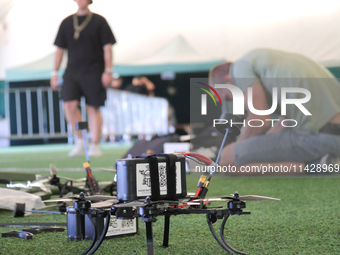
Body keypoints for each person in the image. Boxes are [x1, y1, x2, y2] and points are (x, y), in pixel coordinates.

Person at [210, 48, 340, 174]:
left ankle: (316, 166)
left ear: (227, 79)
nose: (232, 101)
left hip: (317, 138)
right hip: (333, 136)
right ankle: (324, 162)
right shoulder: (266, 63)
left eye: (228, 97)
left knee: (227, 159)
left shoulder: (239, 68)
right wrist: (256, 145)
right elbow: (283, 123)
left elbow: (260, 120)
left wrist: (236, 149)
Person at [50, 0, 116, 157]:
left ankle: (95, 144)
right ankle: (80, 140)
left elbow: (108, 48)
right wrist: (54, 72)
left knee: (93, 107)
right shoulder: (66, 22)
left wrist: (108, 70)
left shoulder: (100, 21)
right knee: (69, 106)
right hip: (72, 71)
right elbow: (59, 49)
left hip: (94, 70)